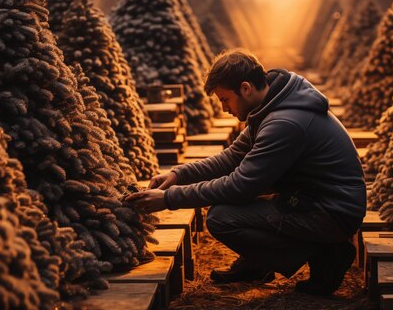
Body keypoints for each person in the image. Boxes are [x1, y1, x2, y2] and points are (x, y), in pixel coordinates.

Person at [126, 50, 366, 296]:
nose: (224, 108)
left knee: (222, 218)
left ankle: (326, 253)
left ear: (245, 88)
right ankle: (258, 264)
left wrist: (168, 199)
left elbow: (239, 186)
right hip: (311, 198)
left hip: (332, 212)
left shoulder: (284, 123)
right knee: (229, 208)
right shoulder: (271, 105)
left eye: (225, 100)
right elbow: (231, 157)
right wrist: (177, 175)